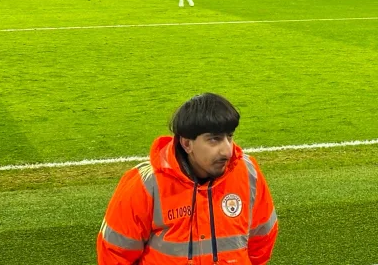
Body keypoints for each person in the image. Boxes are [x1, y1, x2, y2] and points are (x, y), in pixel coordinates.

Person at [97, 93, 278, 265]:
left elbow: (262, 240)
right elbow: (115, 254)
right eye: (214, 140)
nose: (227, 150)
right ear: (186, 143)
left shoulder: (248, 173)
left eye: (229, 137)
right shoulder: (146, 184)